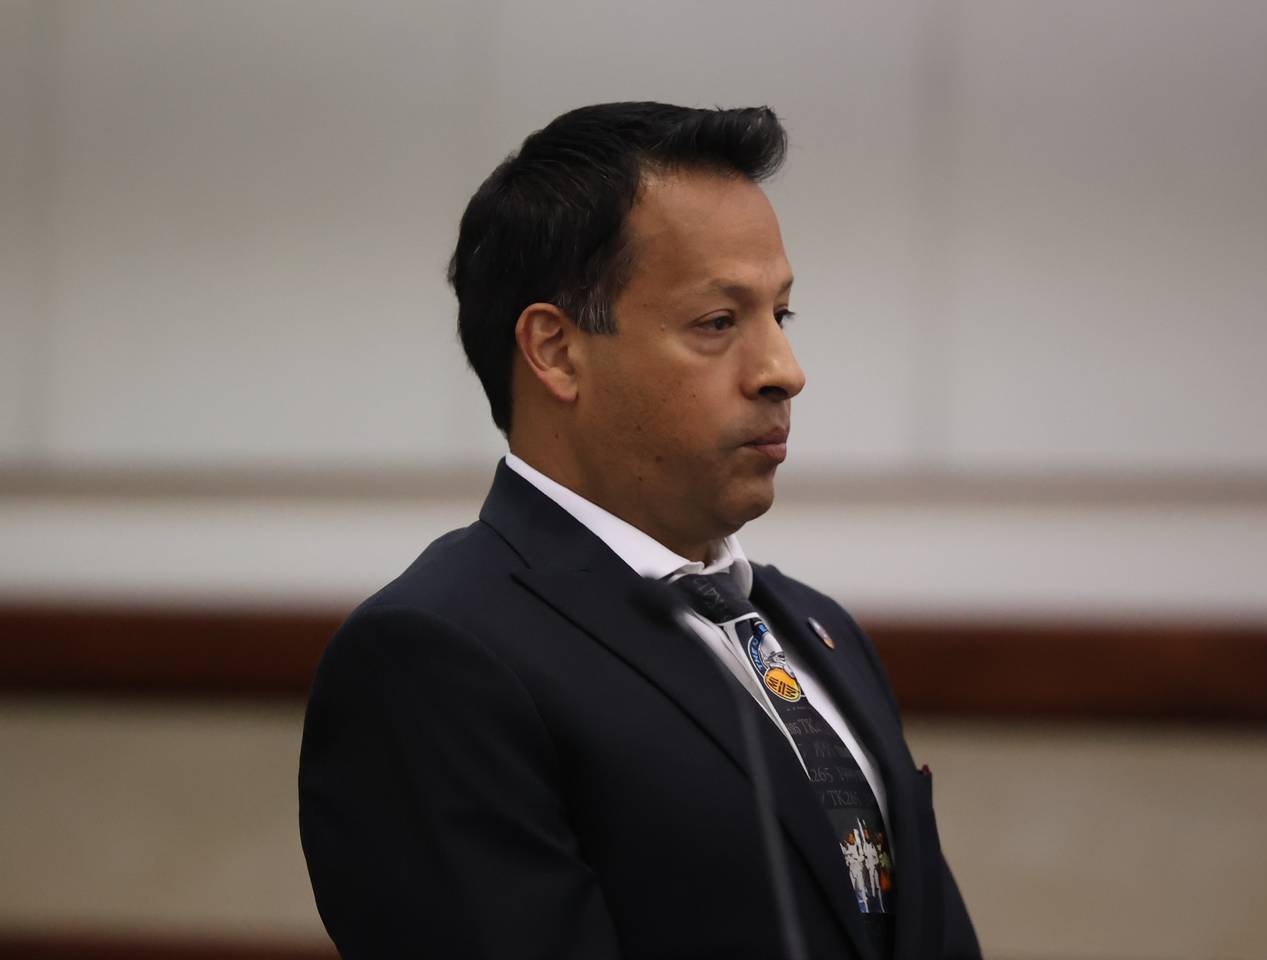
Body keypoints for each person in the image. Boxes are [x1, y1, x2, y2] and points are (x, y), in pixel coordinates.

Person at [298, 101, 981, 960]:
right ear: (555, 351)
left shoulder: (818, 629)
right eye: (718, 323)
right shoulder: (437, 656)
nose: (784, 370)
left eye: (783, 315)